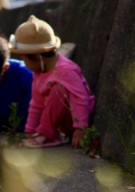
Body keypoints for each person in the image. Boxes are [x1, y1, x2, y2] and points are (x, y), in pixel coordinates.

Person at [8, 15, 95, 149]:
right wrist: (29, 131)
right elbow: (36, 104)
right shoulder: (39, 73)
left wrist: (80, 128)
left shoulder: (66, 71)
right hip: (59, 124)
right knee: (49, 94)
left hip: (75, 120)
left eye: (24, 60)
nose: (24, 64)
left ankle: (48, 135)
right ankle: (48, 133)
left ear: (37, 57)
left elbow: (81, 99)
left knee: (58, 89)